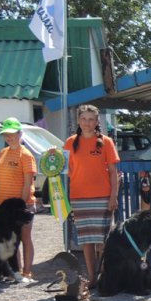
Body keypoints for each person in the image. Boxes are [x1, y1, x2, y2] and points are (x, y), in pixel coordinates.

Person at [63, 104, 120, 288]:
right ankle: (92, 276)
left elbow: (113, 172)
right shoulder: (70, 142)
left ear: (97, 121)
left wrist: (113, 196)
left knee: (102, 241)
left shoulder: (106, 142)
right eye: (84, 119)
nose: (87, 123)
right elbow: (66, 170)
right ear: (78, 121)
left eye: (91, 119)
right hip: (79, 197)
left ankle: (104, 275)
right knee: (86, 240)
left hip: (102, 197)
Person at [0, 117, 37, 282]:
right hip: (3, 206)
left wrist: (20, 208)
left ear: (20, 133)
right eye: (6, 134)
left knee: (25, 238)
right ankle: (16, 272)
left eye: (12, 133)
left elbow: (28, 183)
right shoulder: (2, 153)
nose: (9, 137)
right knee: (11, 240)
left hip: (22, 205)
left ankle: (27, 272)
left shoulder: (26, 155)